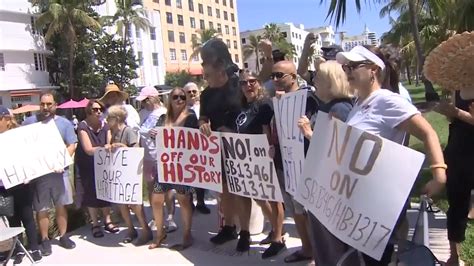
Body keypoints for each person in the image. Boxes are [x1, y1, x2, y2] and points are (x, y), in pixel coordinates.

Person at [333, 45, 446, 265]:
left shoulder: (386, 100)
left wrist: (439, 174)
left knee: (376, 258)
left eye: (353, 66)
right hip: (359, 196)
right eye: (345, 67)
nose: (347, 72)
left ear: (373, 70)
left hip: (380, 199)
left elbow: (428, 132)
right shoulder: (358, 103)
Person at [297, 60, 354, 266]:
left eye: (319, 78)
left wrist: (309, 133)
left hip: (333, 184)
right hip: (324, 180)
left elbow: (340, 148)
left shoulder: (339, 108)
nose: (315, 82)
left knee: (331, 238)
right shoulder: (329, 106)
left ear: (331, 81)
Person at [270, 60, 317, 263]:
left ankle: (319, 252)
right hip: (285, 162)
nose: (275, 80)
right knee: (296, 210)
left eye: (280, 75)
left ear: (294, 77)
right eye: (273, 76)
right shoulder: (277, 101)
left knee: (310, 212)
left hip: (305, 162)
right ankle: (307, 249)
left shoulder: (309, 99)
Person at [236, 70, 287, 257]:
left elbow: (268, 130)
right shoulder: (242, 107)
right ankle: (275, 230)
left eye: (252, 81)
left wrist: (269, 150)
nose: (248, 85)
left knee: (273, 199)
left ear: (258, 83)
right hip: (246, 159)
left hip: (264, 156)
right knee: (255, 196)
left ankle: (278, 238)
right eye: (244, 83)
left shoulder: (264, 104)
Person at [198, 39, 242, 246]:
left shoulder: (239, 84)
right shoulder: (206, 94)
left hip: (244, 147)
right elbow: (203, 116)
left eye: (205, 61)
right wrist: (203, 124)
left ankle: (253, 231)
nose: (202, 67)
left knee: (247, 190)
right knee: (225, 189)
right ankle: (229, 227)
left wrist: (234, 131)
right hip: (219, 148)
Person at [23, 92, 77, 256]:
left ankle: (63, 236)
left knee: (61, 206)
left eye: (49, 104)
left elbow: (72, 144)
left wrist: (61, 161)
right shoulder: (29, 123)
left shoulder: (65, 124)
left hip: (60, 174)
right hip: (39, 175)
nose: (45, 107)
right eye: (43, 104)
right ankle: (45, 240)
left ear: (55, 105)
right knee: (42, 209)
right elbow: (22, 146)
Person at [148, 87, 196, 251]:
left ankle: (187, 234)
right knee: (156, 200)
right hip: (165, 165)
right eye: (175, 97)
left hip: (183, 166)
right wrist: (154, 133)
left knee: (184, 200)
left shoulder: (190, 117)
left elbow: (194, 139)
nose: (179, 100)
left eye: (182, 97)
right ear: (170, 99)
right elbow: (157, 139)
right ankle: (160, 234)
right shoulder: (163, 118)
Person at [434, 90, 474, 266]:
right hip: (457, 152)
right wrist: (448, 111)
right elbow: (455, 119)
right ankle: (454, 257)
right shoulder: (458, 87)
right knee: (456, 205)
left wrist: (456, 112)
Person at [0, 106, 42, 263]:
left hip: (22, 183)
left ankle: (34, 247)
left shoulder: (20, 135)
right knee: (12, 218)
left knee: (27, 216)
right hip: (3, 186)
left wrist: (29, 174)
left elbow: (31, 156)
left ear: (7, 119)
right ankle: (18, 249)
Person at [106, 105, 152, 246]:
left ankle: (146, 230)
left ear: (117, 118)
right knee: (122, 204)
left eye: (109, 118)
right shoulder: (113, 133)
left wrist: (123, 147)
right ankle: (130, 230)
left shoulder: (128, 131)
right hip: (120, 174)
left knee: (135, 204)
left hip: (131, 174)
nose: (107, 120)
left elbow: (136, 150)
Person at [75, 100, 118, 238]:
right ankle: (95, 223)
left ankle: (107, 220)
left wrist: (109, 146)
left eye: (100, 109)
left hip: (102, 163)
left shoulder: (105, 125)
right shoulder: (83, 126)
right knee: (90, 193)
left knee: (105, 190)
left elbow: (109, 142)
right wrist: (103, 148)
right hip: (87, 164)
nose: (98, 111)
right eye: (95, 109)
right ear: (88, 111)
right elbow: (88, 149)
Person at [184, 82, 211, 214]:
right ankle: (190, 203)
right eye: (189, 92)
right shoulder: (181, 108)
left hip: (203, 146)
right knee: (189, 176)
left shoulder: (204, 106)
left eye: (194, 91)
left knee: (201, 175)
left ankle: (201, 202)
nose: (192, 94)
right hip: (187, 147)